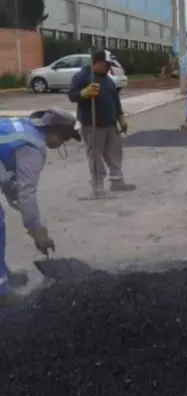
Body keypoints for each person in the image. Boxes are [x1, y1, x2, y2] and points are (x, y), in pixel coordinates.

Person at [0, 109, 81, 302]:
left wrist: (35, 226)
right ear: (53, 132)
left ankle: (3, 273)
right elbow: (26, 193)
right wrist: (37, 231)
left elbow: (12, 184)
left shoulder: (24, 127)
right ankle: (1, 291)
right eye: (64, 139)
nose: (63, 144)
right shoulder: (33, 147)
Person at [68, 49, 135, 198]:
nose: (109, 67)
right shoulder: (82, 76)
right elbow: (72, 95)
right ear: (97, 62)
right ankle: (97, 186)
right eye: (107, 64)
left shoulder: (107, 79)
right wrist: (84, 93)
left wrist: (121, 118)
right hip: (93, 124)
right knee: (95, 155)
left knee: (115, 152)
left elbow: (115, 101)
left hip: (110, 123)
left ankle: (117, 181)